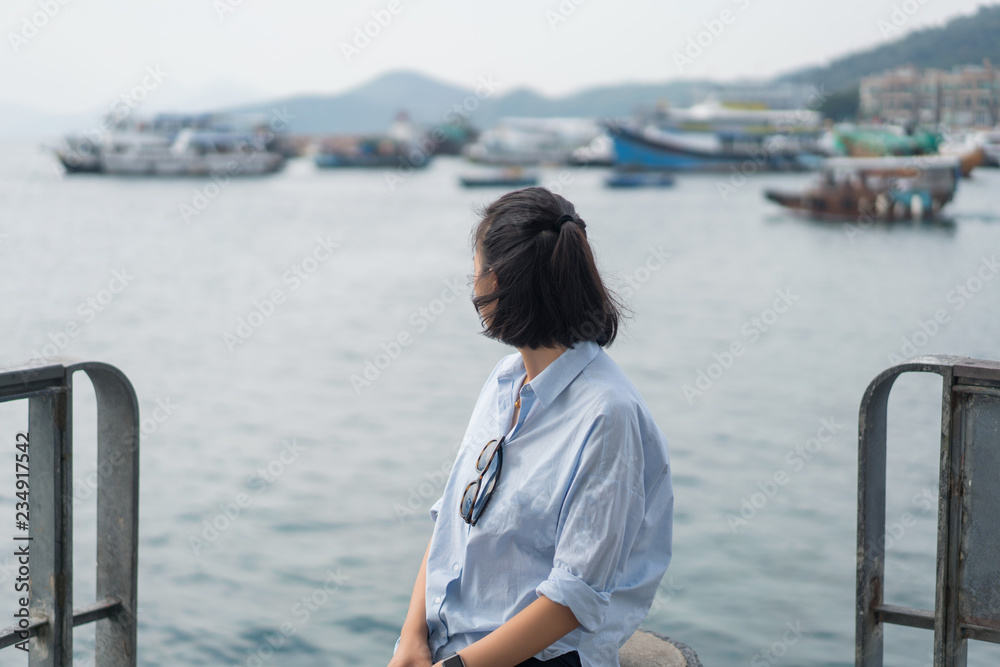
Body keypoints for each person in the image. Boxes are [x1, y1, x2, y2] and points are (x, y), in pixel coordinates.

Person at [388, 187, 674, 667]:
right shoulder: (504, 382)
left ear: (500, 283)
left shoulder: (608, 415)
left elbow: (573, 598)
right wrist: (411, 639)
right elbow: (453, 526)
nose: (473, 287)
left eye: (476, 272)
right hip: (447, 647)